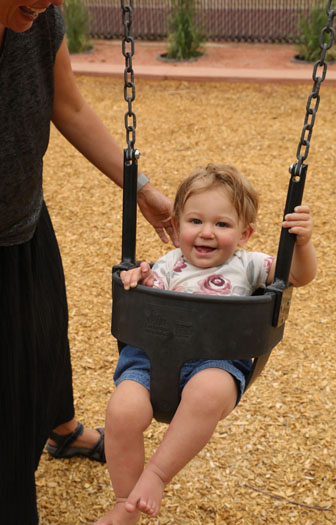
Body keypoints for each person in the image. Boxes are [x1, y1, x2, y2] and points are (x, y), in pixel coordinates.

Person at [0, 2, 177, 524]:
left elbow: (69, 105)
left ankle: (61, 427)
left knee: (46, 325)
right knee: (10, 400)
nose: (47, 0)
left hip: (24, 215)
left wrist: (141, 190)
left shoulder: (39, 17)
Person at [95, 163, 317, 525]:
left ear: (245, 234)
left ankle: (156, 476)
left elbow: (298, 276)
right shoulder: (168, 265)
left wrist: (302, 243)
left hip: (215, 362)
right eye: (195, 221)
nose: (206, 233)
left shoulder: (249, 265)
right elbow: (148, 290)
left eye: (222, 224)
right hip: (154, 361)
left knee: (207, 391)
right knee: (122, 411)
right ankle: (125, 503)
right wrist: (139, 279)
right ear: (177, 224)